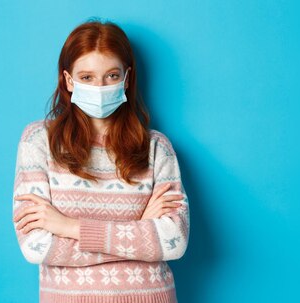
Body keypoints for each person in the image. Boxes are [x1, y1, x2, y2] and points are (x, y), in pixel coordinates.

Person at [11, 19, 190, 303]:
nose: (100, 86)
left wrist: (69, 227)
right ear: (69, 80)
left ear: (126, 78)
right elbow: (36, 246)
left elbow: (174, 241)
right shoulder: (38, 141)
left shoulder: (156, 147)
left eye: (111, 75)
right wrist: (141, 232)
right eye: (87, 77)